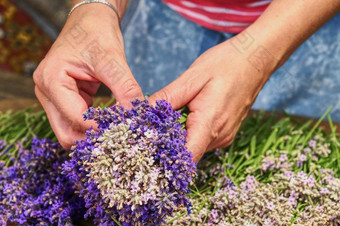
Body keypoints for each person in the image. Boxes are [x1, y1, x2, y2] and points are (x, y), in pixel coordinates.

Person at [33, 0, 340, 162]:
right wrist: (94, 6)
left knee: (304, 150)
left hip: (304, 25)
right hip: (164, 24)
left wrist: (261, 55)